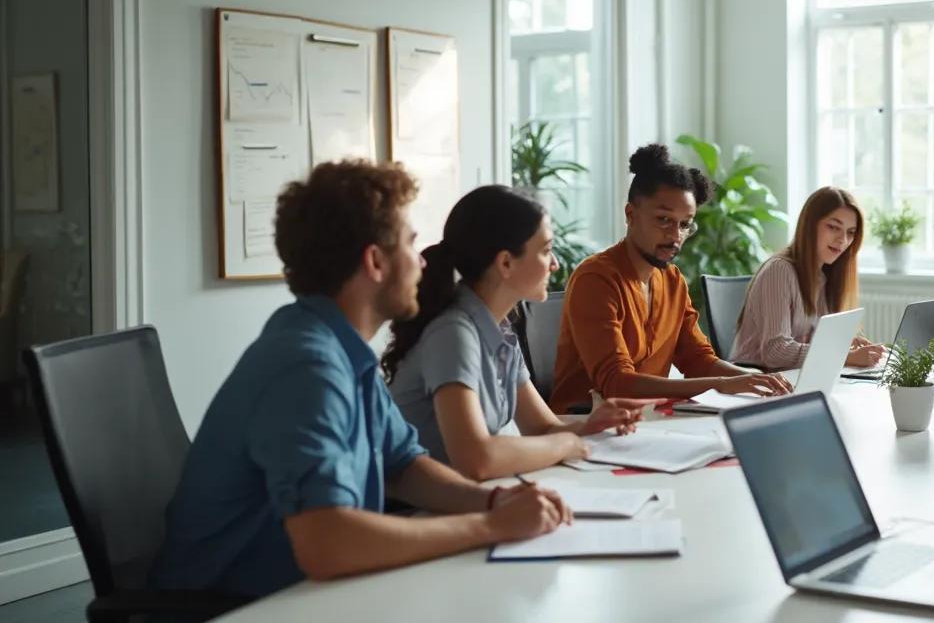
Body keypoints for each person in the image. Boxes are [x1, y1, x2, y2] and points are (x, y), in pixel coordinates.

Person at [152, 161, 571, 598]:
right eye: (411, 244)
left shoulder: (341, 349)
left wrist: (492, 502)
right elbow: (328, 544)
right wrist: (489, 525)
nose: (424, 261)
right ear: (375, 261)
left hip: (311, 593)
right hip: (237, 607)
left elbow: (405, 466)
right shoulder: (307, 365)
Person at [382, 185, 656, 481]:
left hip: (467, 499)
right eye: (546, 250)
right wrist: (565, 444)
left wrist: (591, 424)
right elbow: (476, 460)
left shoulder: (499, 328)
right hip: (419, 512)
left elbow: (541, 428)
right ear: (505, 263)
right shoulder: (453, 333)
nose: (555, 264)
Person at [549, 144, 792, 413]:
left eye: (685, 224)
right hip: (585, 424)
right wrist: (723, 384)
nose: (676, 235)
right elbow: (617, 384)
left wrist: (751, 378)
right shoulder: (596, 279)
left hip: (648, 422)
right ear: (631, 215)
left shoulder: (672, 279)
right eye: (664, 219)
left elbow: (698, 360)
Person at [731, 186, 885, 370]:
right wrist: (844, 356)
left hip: (792, 378)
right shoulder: (779, 270)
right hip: (756, 382)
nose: (842, 240)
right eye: (833, 227)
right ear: (810, 225)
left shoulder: (823, 276)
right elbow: (775, 351)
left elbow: (809, 340)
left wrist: (843, 344)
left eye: (850, 232)